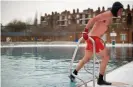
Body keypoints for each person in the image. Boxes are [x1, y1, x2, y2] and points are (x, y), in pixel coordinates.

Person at [69, 1, 123, 85]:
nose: (121, 12)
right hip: (93, 39)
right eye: (120, 10)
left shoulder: (110, 17)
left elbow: (99, 28)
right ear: (116, 9)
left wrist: (100, 38)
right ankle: (100, 79)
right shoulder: (107, 14)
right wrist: (85, 31)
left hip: (93, 39)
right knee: (106, 56)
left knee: (86, 59)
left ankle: (74, 73)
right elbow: (93, 19)